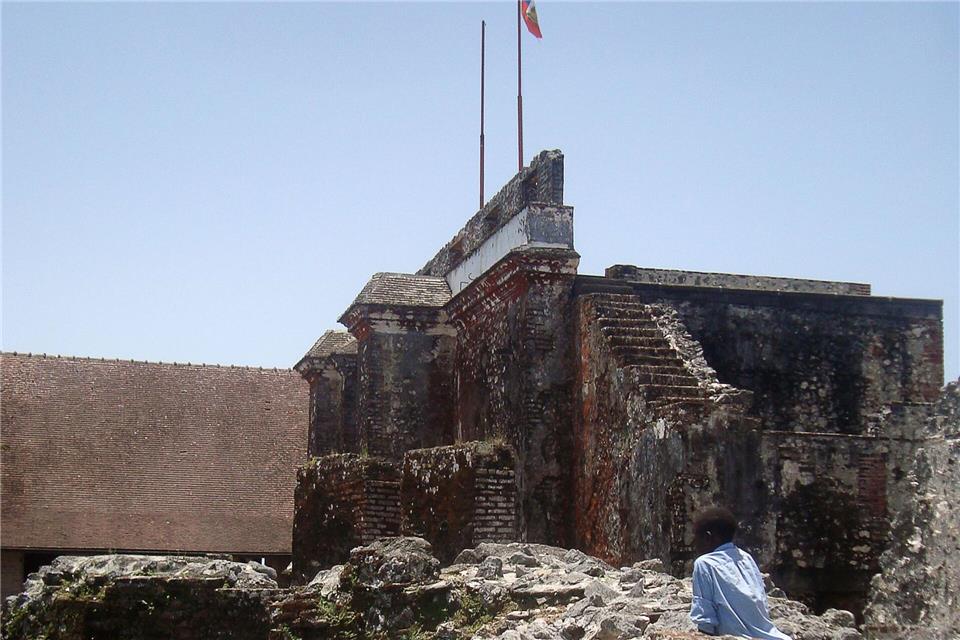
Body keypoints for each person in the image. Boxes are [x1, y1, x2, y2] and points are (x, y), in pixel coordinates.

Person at [689, 506, 791, 639]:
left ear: (708, 537)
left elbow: (705, 620)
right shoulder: (746, 558)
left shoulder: (704, 563)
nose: (694, 543)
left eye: (697, 537)